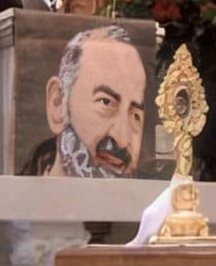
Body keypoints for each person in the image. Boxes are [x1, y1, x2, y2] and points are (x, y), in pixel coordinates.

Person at [22, 25, 147, 177]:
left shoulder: (153, 200)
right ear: (58, 103)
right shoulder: (10, 198)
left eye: (135, 116)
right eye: (106, 102)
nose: (122, 139)